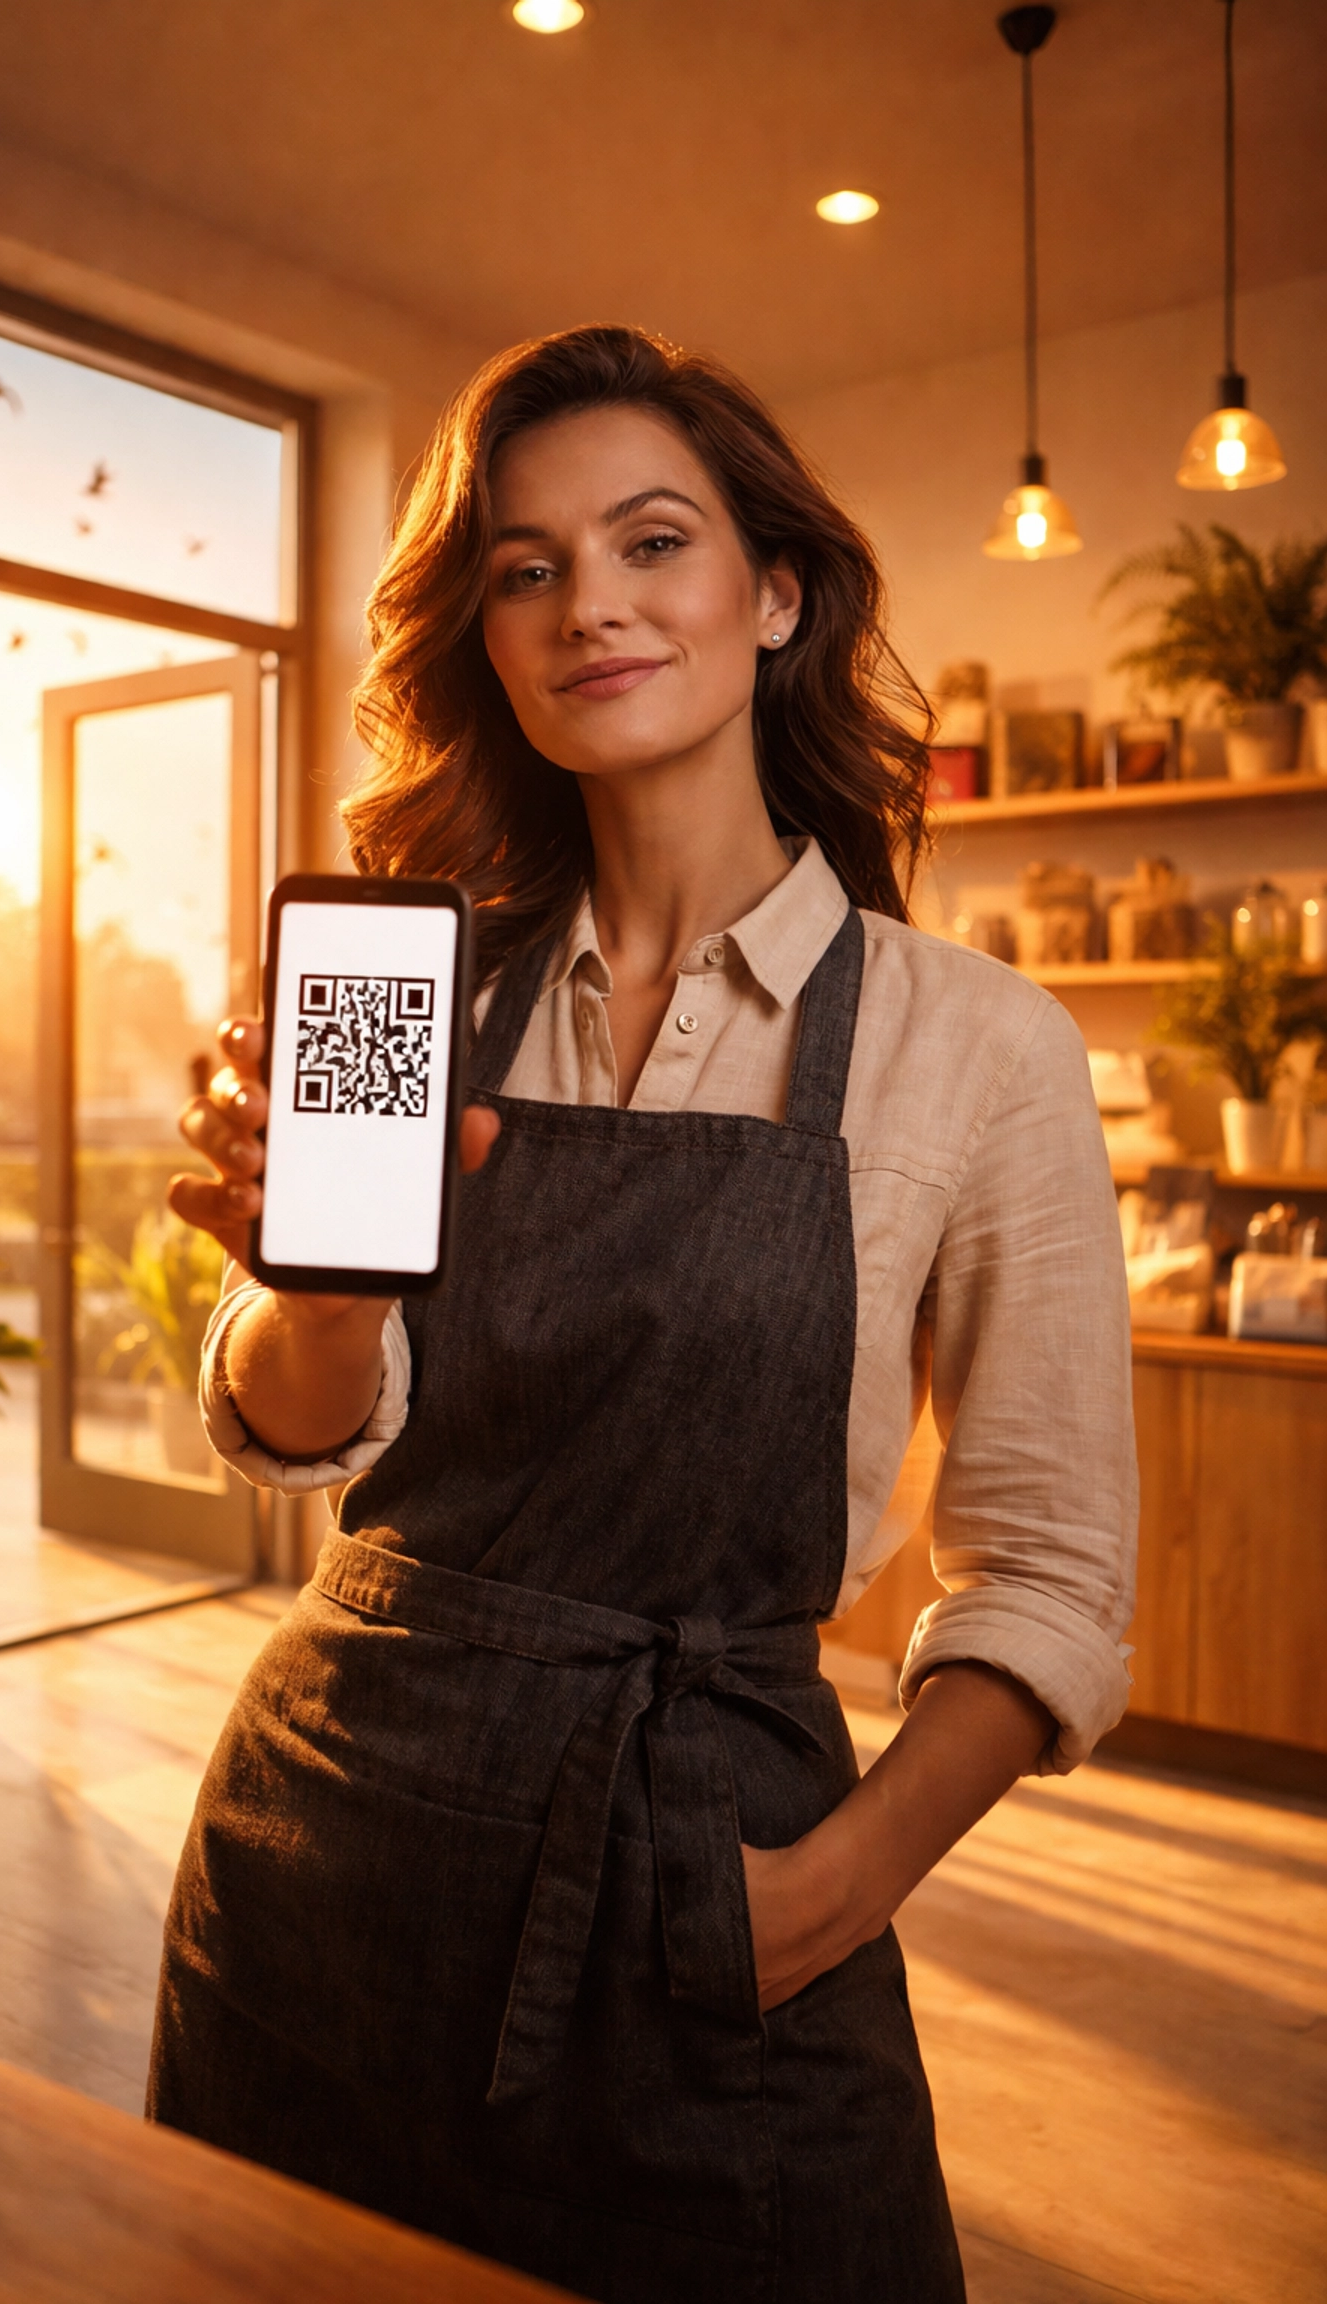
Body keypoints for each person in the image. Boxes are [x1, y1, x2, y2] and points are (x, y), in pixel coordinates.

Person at [148, 324, 1136, 2304]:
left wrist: (823, 1897)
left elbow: (1047, 1570)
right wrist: (320, 1291)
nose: (589, 600)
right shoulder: (412, 996)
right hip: (321, 1855)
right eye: (526, 566)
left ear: (774, 595)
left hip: (718, 1887)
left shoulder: (973, 1049)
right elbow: (294, 1426)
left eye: (651, 541)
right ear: (491, 642)